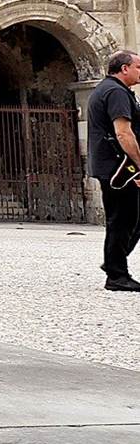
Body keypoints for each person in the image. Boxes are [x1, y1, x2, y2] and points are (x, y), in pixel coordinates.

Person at [87, 50, 140, 291]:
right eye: (138, 67)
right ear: (124, 68)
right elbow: (123, 132)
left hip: (113, 165)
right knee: (122, 220)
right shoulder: (116, 92)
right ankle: (116, 275)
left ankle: (113, 263)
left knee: (130, 218)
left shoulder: (106, 89)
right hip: (120, 168)